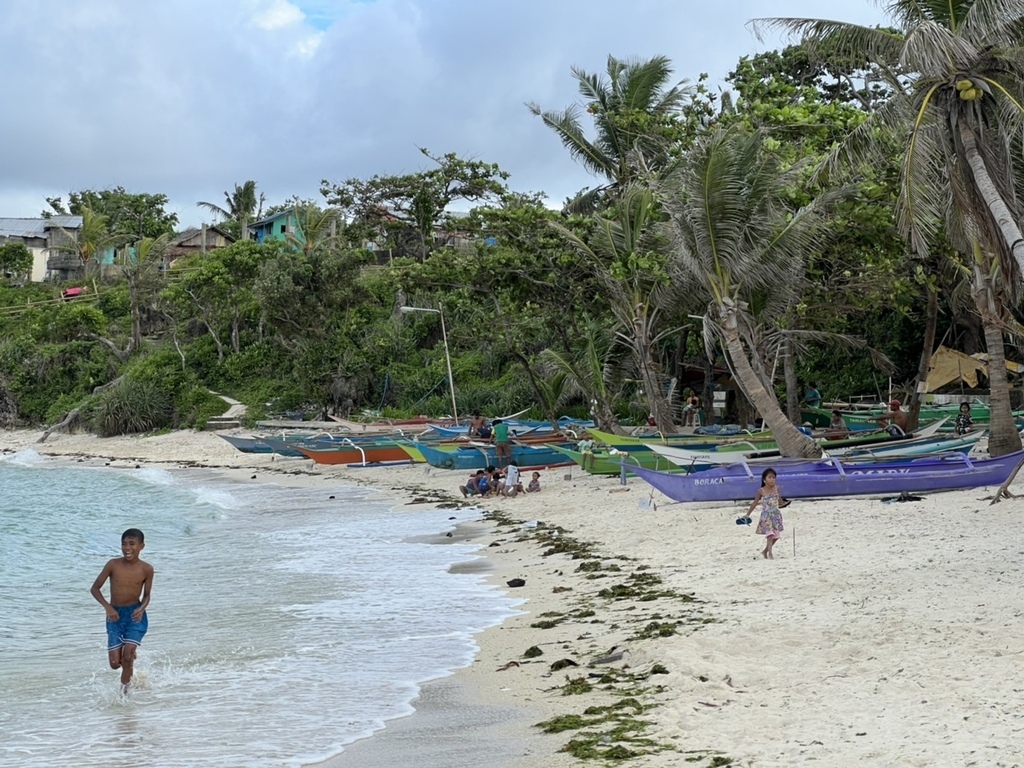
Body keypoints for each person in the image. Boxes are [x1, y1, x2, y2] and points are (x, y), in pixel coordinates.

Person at [90, 528, 154, 691]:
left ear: (142, 546)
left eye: (132, 544)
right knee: (114, 664)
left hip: (135, 615)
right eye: (124, 544)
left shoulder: (146, 569)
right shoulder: (113, 564)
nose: (127, 548)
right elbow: (95, 589)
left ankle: (124, 694)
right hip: (115, 615)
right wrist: (108, 608)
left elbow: (146, 595)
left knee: (127, 657)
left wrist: (142, 607)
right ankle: (129, 653)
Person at [745, 469, 784, 560]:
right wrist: (748, 514)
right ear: (764, 479)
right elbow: (754, 503)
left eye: (774, 478)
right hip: (766, 516)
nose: (772, 480)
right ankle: (770, 553)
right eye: (769, 477)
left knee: (776, 536)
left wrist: (783, 503)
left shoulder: (777, 488)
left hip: (776, 515)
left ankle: (765, 551)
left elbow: (779, 501)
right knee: (770, 535)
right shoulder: (761, 491)